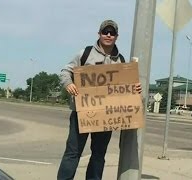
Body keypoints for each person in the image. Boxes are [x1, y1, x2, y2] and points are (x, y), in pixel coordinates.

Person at [57, 20, 142, 180]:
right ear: (99, 34)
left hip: (105, 117)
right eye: (105, 32)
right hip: (81, 113)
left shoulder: (121, 61)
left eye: (112, 33)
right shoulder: (85, 53)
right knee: (72, 153)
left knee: (98, 155)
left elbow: (125, 88)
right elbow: (65, 71)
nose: (108, 35)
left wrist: (134, 89)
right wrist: (68, 83)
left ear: (116, 36)